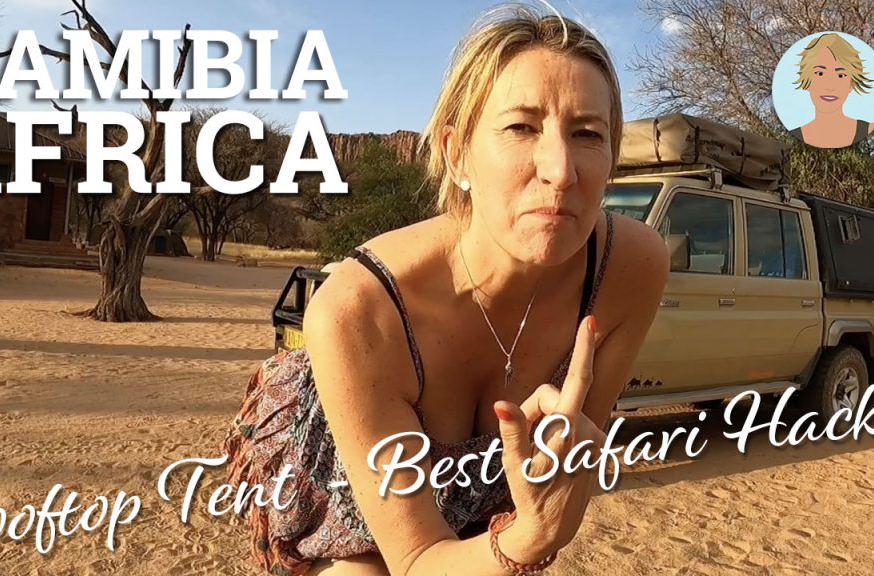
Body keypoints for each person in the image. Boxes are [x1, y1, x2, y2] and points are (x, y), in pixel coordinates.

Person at [220, 5, 669, 575]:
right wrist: (528, 537)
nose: (561, 170)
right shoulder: (359, 310)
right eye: (521, 127)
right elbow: (418, 560)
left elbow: (566, 482)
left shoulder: (628, 268)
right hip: (340, 491)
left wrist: (539, 521)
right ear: (457, 153)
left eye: (587, 133)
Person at [789, 32, 874, 148]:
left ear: (851, 85)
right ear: (807, 81)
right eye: (820, 73)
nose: (830, 86)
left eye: (841, 75)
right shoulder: (796, 134)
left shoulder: (867, 128)